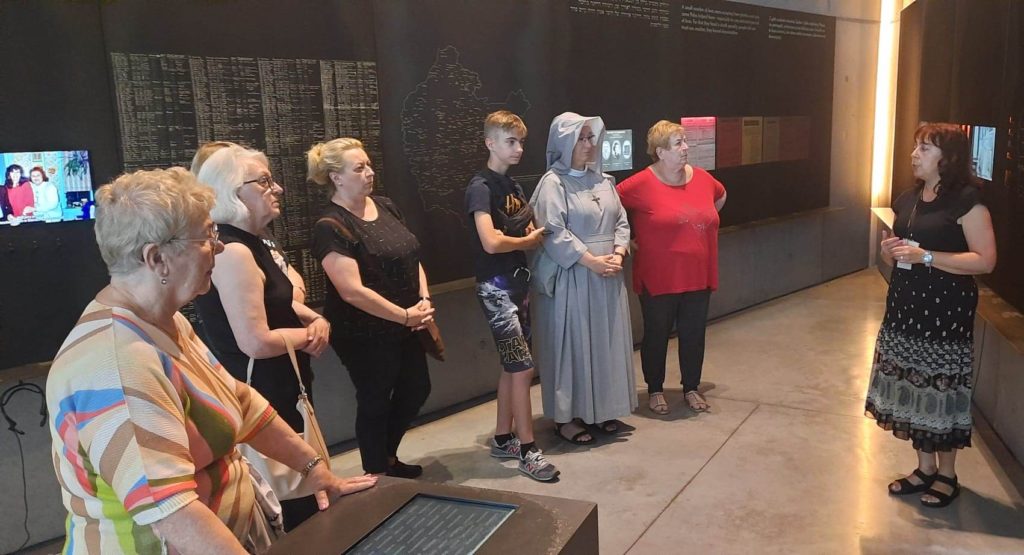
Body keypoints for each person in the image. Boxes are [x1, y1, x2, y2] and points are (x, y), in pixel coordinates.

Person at [46, 167, 376, 554]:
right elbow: (174, 513)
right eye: (206, 236)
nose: (218, 248)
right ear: (157, 258)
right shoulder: (116, 366)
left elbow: (240, 402)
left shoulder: (165, 321)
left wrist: (315, 471)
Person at [192, 145, 330, 530]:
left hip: (281, 384)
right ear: (233, 192)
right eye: (265, 181)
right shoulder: (234, 251)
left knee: (302, 491)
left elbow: (276, 302)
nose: (278, 188)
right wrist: (307, 335)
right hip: (264, 393)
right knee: (291, 502)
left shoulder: (252, 242)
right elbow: (254, 341)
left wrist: (311, 320)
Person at [866, 122, 996, 508]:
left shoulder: (967, 202)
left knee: (941, 389)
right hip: (905, 306)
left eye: (924, 148)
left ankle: (947, 475)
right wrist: (891, 251)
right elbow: (902, 247)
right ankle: (924, 468)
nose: (914, 155)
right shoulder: (907, 198)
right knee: (912, 384)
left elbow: (985, 261)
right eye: (915, 146)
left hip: (945, 310)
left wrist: (925, 256)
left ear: (948, 158)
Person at [308, 138, 433, 477]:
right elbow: (351, 291)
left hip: (408, 323)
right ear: (336, 177)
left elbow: (411, 255)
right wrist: (404, 315)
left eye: (369, 165)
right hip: (364, 333)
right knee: (375, 399)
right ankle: (377, 475)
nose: (370, 172)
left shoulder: (386, 206)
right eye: (359, 168)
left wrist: (423, 300)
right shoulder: (330, 226)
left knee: (416, 388)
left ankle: (387, 457)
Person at [530, 112, 636, 444]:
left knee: (604, 342)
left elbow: (621, 221)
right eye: (582, 138)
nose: (589, 144)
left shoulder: (603, 181)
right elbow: (552, 231)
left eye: (592, 137)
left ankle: (602, 409)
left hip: (607, 275)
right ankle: (566, 418)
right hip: (574, 276)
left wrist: (618, 252)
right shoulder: (553, 184)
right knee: (572, 344)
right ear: (564, 142)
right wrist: (590, 261)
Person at [465, 110, 558, 481]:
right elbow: (490, 242)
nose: (518, 148)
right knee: (522, 367)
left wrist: (527, 237)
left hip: (517, 284)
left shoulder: (513, 186)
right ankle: (528, 450)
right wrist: (526, 240)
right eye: (510, 141)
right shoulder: (480, 188)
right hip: (496, 287)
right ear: (490, 143)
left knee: (513, 366)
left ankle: (504, 436)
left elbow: (526, 228)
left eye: (520, 141)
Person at [617, 120, 727, 415]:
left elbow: (720, 196)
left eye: (685, 141)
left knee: (694, 334)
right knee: (656, 334)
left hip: (698, 273)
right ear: (660, 152)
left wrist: (700, 221)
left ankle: (691, 387)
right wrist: (625, 239)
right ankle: (655, 389)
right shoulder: (641, 183)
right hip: (659, 276)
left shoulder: (702, 178)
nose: (686, 148)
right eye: (678, 143)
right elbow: (609, 207)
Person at [191, 141, 307, 303]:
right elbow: (256, 318)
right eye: (263, 181)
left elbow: (284, 268)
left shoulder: (254, 234)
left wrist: (302, 305)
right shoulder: (230, 249)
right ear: (229, 187)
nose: (278, 189)